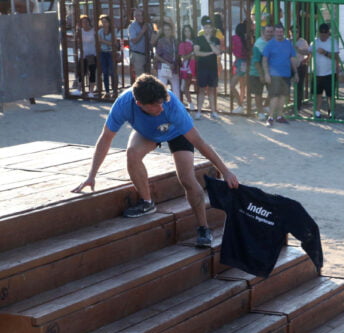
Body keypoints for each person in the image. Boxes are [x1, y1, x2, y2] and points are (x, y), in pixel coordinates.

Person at [71, 74, 239, 248]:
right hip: (147, 132)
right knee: (132, 154)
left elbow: (199, 142)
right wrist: (91, 175)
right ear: (139, 104)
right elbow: (106, 138)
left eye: (162, 102)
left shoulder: (171, 105)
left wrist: (225, 171)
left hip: (177, 133)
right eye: (155, 105)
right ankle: (146, 202)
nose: (161, 107)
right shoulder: (123, 104)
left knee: (188, 179)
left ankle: (204, 228)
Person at [262, 24, 298, 126]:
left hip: (286, 74)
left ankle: (279, 116)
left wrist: (295, 73)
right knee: (274, 97)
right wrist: (266, 74)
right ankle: (270, 117)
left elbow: (292, 59)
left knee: (283, 97)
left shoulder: (288, 44)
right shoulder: (270, 44)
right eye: (277, 32)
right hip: (274, 75)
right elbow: (264, 60)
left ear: (284, 32)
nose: (279, 34)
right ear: (274, 32)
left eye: (281, 32)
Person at [309, 23, 341, 119]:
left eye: (325, 33)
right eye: (321, 33)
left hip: (329, 72)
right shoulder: (315, 42)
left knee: (330, 94)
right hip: (317, 73)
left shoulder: (333, 42)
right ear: (319, 33)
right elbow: (309, 52)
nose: (323, 35)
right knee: (318, 93)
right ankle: (317, 112)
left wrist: (325, 52)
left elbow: (336, 56)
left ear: (328, 33)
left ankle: (331, 112)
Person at [194, 16, 221, 120]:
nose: (208, 29)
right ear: (203, 28)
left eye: (209, 27)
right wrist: (210, 52)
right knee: (201, 90)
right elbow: (197, 52)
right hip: (202, 68)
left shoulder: (216, 40)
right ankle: (199, 111)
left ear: (212, 28)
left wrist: (210, 42)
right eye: (206, 27)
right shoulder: (198, 39)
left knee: (212, 90)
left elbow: (218, 52)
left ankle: (213, 111)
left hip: (212, 68)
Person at [248, 24, 273, 120]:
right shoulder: (259, 44)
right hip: (257, 72)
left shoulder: (271, 42)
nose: (270, 34)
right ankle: (260, 112)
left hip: (269, 72)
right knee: (258, 93)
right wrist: (262, 75)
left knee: (273, 91)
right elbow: (256, 62)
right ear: (263, 33)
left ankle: (265, 106)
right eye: (268, 32)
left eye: (271, 32)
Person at [154, 21, 180, 100]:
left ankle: (176, 106)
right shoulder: (161, 41)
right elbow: (157, 55)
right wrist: (167, 63)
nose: (167, 32)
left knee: (176, 88)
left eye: (168, 30)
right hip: (163, 67)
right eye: (165, 30)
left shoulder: (175, 41)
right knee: (162, 88)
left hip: (173, 67)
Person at [128, 8, 154, 81]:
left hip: (147, 54)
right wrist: (142, 31)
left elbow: (151, 39)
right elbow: (134, 40)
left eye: (142, 15)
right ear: (134, 17)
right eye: (138, 15)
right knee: (140, 76)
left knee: (148, 75)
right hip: (138, 54)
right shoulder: (132, 26)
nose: (141, 17)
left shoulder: (148, 25)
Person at [75, 14, 98, 97]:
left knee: (92, 72)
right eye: (83, 22)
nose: (85, 23)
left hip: (92, 54)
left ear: (89, 22)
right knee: (81, 72)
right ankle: (79, 89)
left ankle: (91, 92)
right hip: (83, 54)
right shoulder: (80, 31)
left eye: (87, 21)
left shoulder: (93, 31)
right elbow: (76, 41)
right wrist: (77, 32)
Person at [97, 14, 118, 97]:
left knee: (112, 72)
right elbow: (100, 41)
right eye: (102, 22)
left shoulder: (113, 31)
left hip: (111, 52)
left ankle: (114, 90)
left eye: (105, 22)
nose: (104, 23)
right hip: (103, 52)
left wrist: (103, 41)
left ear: (109, 22)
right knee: (105, 72)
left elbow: (114, 43)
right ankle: (107, 91)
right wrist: (107, 42)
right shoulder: (100, 31)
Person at [230, 21, 249, 114]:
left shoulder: (234, 38)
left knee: (232, 85)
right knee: (242, 85)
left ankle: (240, 105)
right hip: (245, 62)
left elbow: (230, 48)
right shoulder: (247, 39)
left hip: (239, 61)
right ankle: (241, 104)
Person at [178, 24, 195, 109]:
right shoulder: (182, 44)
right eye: (185, 31)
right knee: (184, 86)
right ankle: (190, 103)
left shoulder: (194, 41)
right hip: (186, 67)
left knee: (185, 86)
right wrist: (191, 54)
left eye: (188, 30)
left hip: (193, 66)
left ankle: (188, 102)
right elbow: (183, 57)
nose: (187, 33)